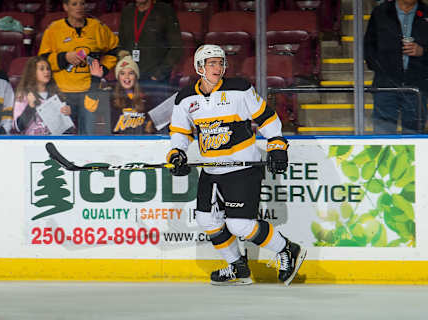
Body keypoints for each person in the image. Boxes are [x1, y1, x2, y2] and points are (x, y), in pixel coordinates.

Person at [166, 44, 307, 286]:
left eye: (220, 62)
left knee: (239, 224)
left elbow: (266, 117)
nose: (218, 67)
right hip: (210, 171)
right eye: (211, 63)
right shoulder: (185, 98)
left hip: (242, 169)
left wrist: (277, 145)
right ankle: (238, 267)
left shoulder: (239, 89)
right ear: (199, 67)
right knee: (206, 220)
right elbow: (181, 131)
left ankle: (286, 249)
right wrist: (176, 153)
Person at [38, 0, 119, 135]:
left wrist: (102, 69)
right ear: (65, 6)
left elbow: (114, 51)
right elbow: (42, 61)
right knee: (63, 137)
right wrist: (64, 57)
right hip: (62, 93)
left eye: (82, 3)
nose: (79, 7)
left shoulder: (97, 27)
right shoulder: (54, 29)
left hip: (90, 90)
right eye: (74, 4)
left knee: (90, 136)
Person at [364, 0, 428, 134]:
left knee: (414, 136)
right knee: (383, 134)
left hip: (417, 86)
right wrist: (383, 71)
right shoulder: (380, 12)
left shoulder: (426, 11)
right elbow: (369, 48)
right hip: (386, 85)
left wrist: (423, 52)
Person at [118, 0, 183, 106]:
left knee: (157, 120)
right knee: (132, 118)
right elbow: (121, 43)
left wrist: (159, 74)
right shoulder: (127, 11)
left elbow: (176, 47)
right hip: (131, 77)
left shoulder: (164, 10)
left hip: (156, 79)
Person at [85, 53, 155, 134]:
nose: (127, 77)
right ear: (118, 77)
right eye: (122, 73)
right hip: (116, 143)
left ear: (136, 76)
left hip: (140, 143)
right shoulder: (110, 95)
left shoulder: (145, 97)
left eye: (131, 73)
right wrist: (95, 79)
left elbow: (152, 125)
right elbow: (90, 107)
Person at [13, 56, 74, 135]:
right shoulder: (23, 95)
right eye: (42, 69)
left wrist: (68, 114)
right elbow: (19, 127)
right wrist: (30, 107)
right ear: (32, 72)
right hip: (32, 143)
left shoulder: (57, 95)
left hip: (54, 142)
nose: (46, 72)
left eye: (48, 69)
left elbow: (68, 130)